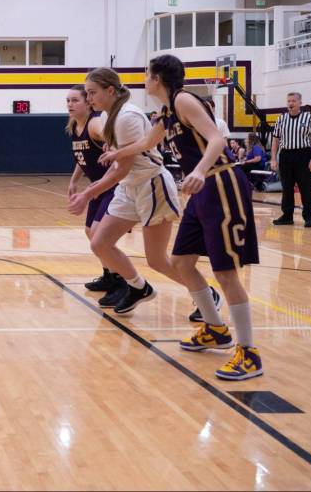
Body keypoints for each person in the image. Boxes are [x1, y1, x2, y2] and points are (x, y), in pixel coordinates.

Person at [102, 55, 262, 380]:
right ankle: (215, 329)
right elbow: (147, 142)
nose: (144, 80)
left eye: (147, 74)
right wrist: (116, 154)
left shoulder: (184, 100)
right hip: (201, 190)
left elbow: (217, 139)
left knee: (226, 272)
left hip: (221, 181)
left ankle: (249, 353)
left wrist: (201, 171)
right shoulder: (166, 112)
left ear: (157, 78)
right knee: (181, 261)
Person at [68, 68, 195, 316]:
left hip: (151, 185)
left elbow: (121, 170)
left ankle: (204, 294)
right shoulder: (106, 117)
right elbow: (116, 167)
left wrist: (88, 194)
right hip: (129, 188)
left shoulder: (127, 117)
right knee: (100, 243)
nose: (89, 98)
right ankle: (138, 287)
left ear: (110, 90)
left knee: (157, 260)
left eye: (92, 93)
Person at [66, 86, 127, 305]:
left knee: (99, 234)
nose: (70, 104)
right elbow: (81, 157)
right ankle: (109, 275)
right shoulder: (75, 126)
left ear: (87, 102)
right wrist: (74, 180)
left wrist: (111, 142)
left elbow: (112, 141)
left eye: (75, 100)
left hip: (112, 185)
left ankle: (122, 281)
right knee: (89, 231)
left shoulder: (95, 123)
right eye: (68, 101)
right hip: (97, 187)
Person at [270, 92, 311, 228]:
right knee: (286, 188)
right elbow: (275, 139)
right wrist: (273, 158)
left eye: (293, 101)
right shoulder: (281, 119)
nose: (290, 103)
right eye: (288, 101)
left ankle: (309, 217)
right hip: (286, 155)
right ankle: (287, 216)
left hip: (303, 155)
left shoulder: (307, 118)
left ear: (299, 103)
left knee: (306, 188)